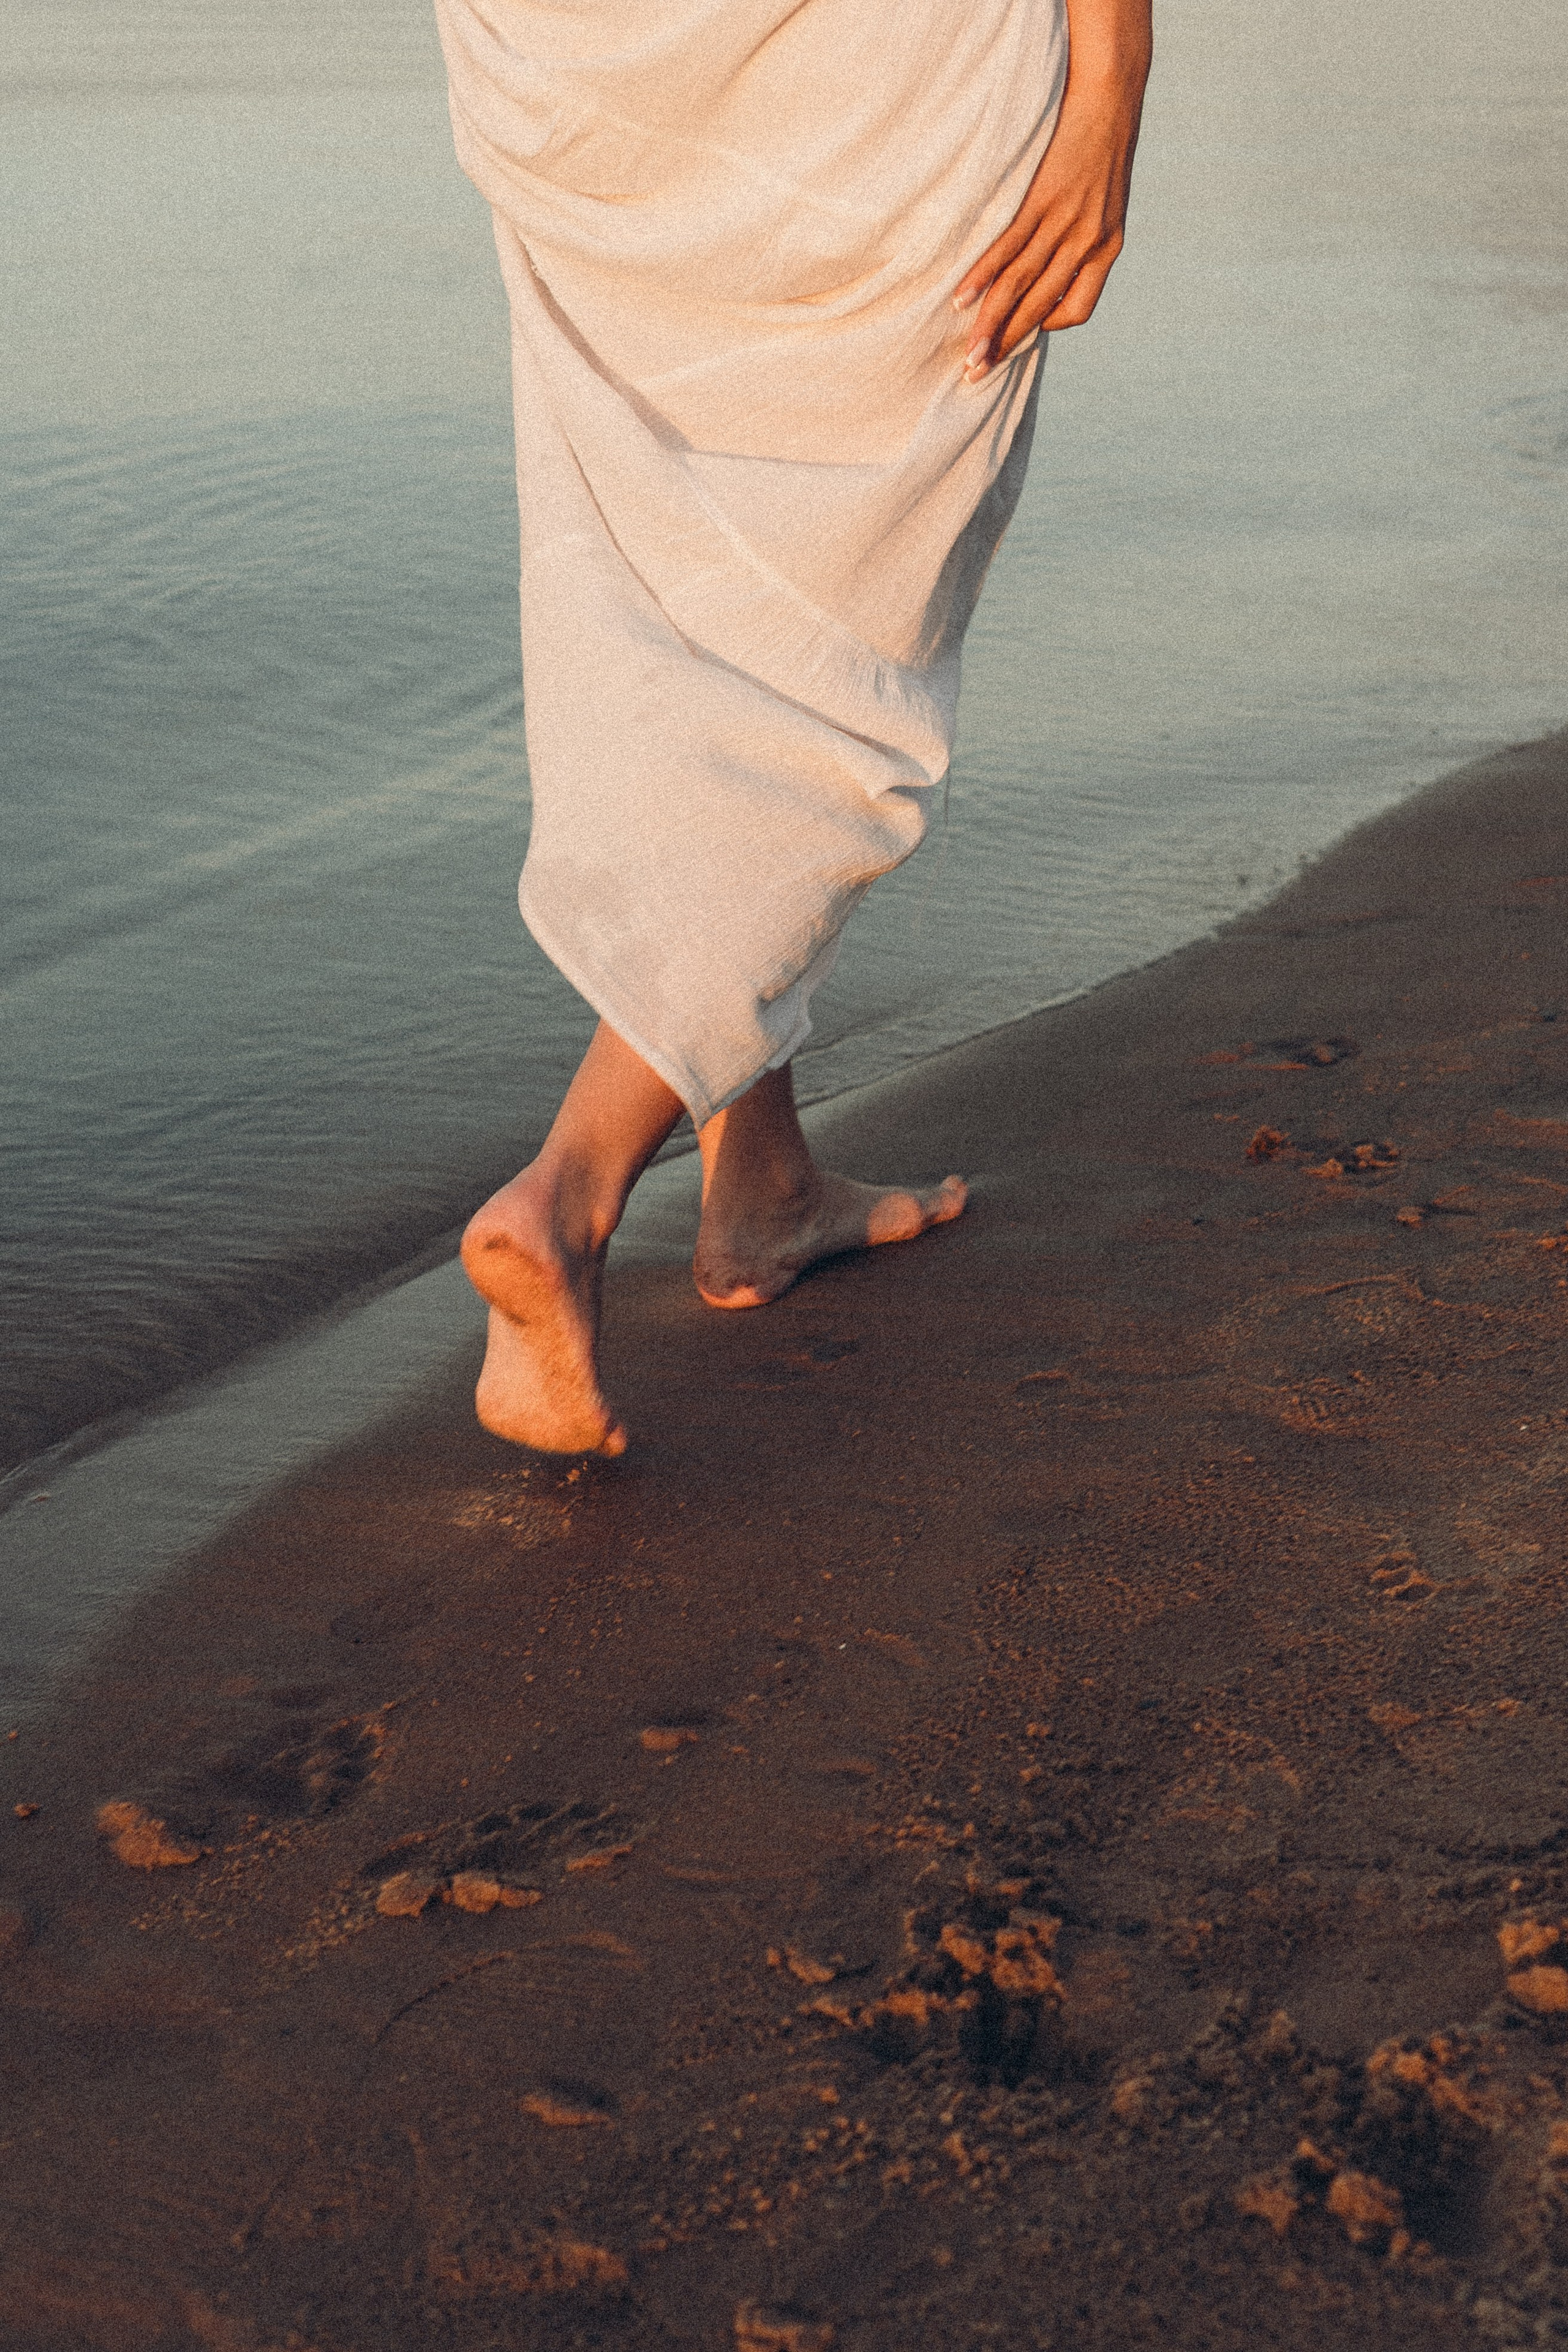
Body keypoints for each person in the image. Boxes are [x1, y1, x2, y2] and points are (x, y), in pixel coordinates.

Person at [435, 0, 1153, 1455]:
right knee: (843, 645)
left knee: (674, 585)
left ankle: (759, 1181)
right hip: (875, 75)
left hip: (582, 67)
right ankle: (570, 1192)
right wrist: (1107, 93)